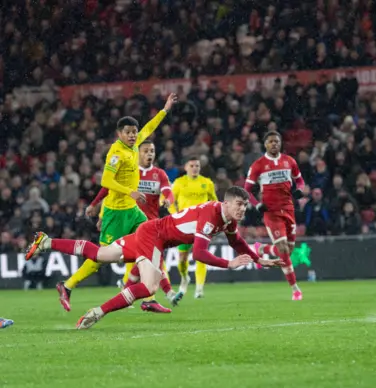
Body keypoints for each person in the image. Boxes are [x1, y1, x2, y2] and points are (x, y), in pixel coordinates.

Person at [26, 187, 284, 329]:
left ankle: (46, 241)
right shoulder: (211, 215)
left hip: (150, 232)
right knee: (149, 286)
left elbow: (237, 241)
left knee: (101, 254)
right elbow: (198, 253)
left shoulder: (226, 220)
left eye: (245, 206)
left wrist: (259, 260)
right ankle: (97, 313)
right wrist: (229, 263)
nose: (242, 209)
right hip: (154, 236)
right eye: (239, 204)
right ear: (225, 203)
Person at [55, 93, 178, 312]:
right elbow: (105, 180)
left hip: (133, 211)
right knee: (100, 256)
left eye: (133, 132)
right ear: (119, 134)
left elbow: (149, 128)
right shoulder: (116, 152)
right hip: (116, 212)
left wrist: (165, 109)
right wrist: (129, 192)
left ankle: (148, 296)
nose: (132, 136)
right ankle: (67, 285)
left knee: (153, 240)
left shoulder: (135, 144)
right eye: (128, 133)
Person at [88, 140, 176, 313]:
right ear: (138, 153)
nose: (149, 154)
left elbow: (168, 192)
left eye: (152, 151)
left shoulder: (159, 174)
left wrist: (168, 200)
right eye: (146, 151)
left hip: (151, 225)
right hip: (130, 223)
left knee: (146, 260)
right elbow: (109, 190)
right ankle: (162, 294)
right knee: (146, 259)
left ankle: (133, 292)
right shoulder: (130, 173)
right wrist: (100, 213)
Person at [244, 131, 306, 300]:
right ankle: (295, 289)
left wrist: (300, 189)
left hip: (288, 210)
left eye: (276, 141)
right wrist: (257, 205)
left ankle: (261, 249)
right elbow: (246, 190)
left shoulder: (289, 161)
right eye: (270, 142)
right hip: (271, 213)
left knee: (288, 249)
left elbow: (300, 180)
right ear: (265, 145)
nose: (274, 144)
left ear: (280, 143)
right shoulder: (258, 165)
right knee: (283, 250)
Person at [171, 157, 218, 298]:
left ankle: (199, 289)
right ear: (185, 167)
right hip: (184, 225)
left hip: (202, 225)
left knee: (201, 255)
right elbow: (169, 201)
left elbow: (215, 202)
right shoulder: (179, 183)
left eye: (197, 165)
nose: (195, 168)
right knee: (182, 258)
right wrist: (175, 215)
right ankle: (185, 278)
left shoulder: (207, 183)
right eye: (191, 165)